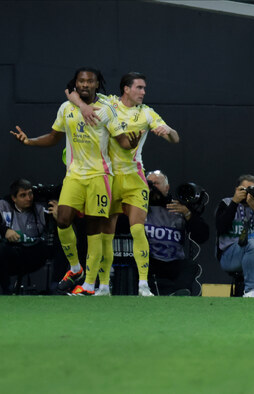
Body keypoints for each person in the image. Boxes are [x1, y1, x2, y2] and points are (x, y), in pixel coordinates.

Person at [10, 67, 139, 296]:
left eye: (90, 81)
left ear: (97, 84)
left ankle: (89, 284)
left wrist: (132, 142)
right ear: (76, 84)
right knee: (62, 219)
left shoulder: (107, 110)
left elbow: (122, 141)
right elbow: (53, 137)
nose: (85, 84)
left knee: (94, 228)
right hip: (74, 175)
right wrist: (29, 141)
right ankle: (75, 267)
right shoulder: (66, 108)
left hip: (100, 176)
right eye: (81, 81)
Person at [66, 72, 180, 296]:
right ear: (126, 89)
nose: (143, 92)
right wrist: (82, 104)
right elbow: (71, 94)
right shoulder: (108, 104)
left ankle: (144, 285)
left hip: (134, 178)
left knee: (138, 230)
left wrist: (168, 131)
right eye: (139, 88)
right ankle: (104, 287)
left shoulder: (147, 113)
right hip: (108, 178)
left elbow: (175, 138)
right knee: (105, 235)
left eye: (144, 88)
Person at [144, 170, 209, 296]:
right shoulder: (140, 208)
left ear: (167, 188)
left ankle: (179, 294)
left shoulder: (179, 207)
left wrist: (188, 214)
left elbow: (202, 236)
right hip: (148, 261)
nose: (152, 187)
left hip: (174, 262)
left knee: (190, 265)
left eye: (156, 183)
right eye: (149, 184)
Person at [0, 179, 57, 294]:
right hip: (11, 254)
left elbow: (58, 230)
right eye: (23, 195)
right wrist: (4, 230)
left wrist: (58, 218)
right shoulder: (3, 206)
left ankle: (56, 287)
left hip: (34, 253)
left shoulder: (40, 209)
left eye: (30, 193)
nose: (29, 198)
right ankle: (7, 290)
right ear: (13, 198)